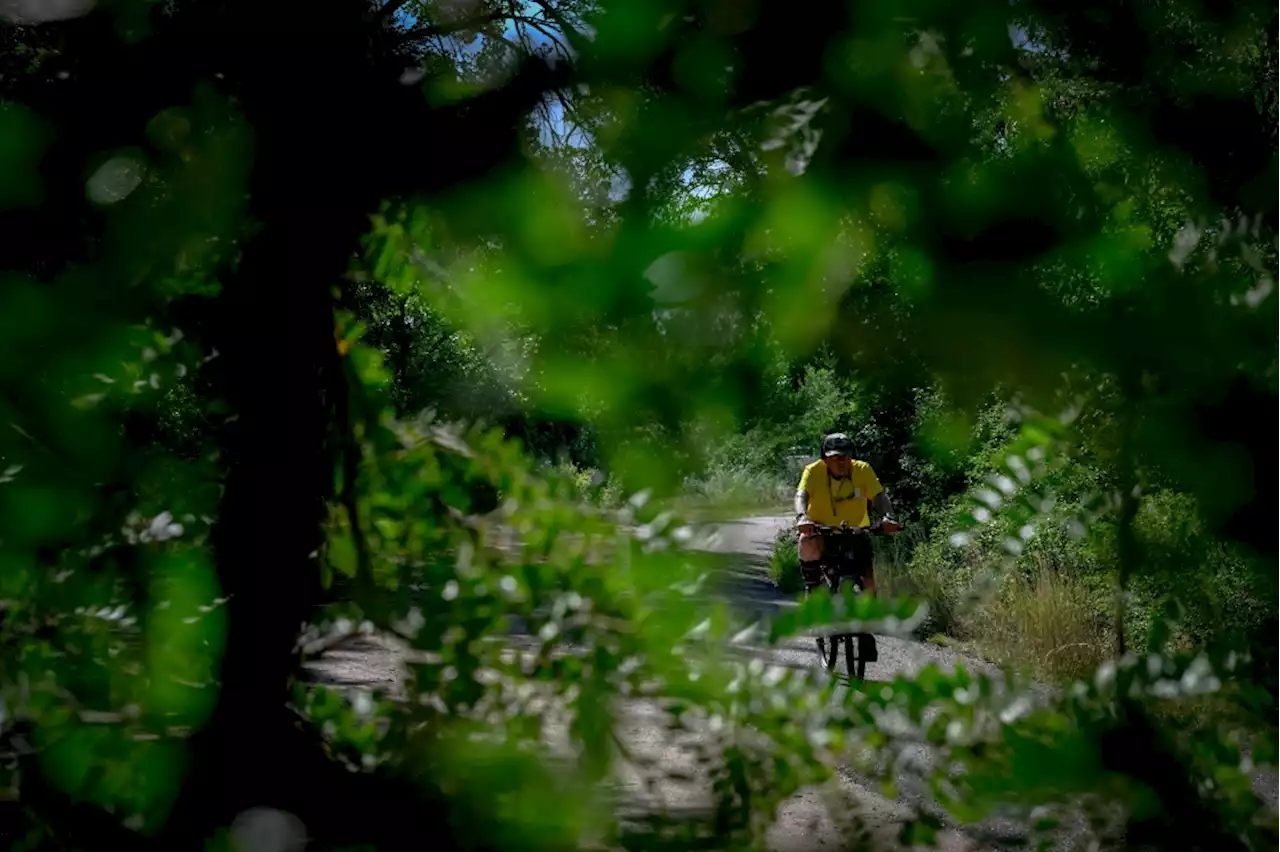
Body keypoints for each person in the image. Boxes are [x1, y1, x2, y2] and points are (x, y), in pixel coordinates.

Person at [794, 432, 897, 595]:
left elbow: (879, 496)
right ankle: (811, 585)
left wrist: (888, 517)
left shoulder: (862, 469)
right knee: (807, 540)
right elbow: (802, 494)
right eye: (835, 458)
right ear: (825, 459)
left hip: (856, 531)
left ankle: (870, 616)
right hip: (822, 530)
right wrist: (802, 517)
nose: (841, 462)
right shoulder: (813, 471)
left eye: (845, 456)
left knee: (869, 582)